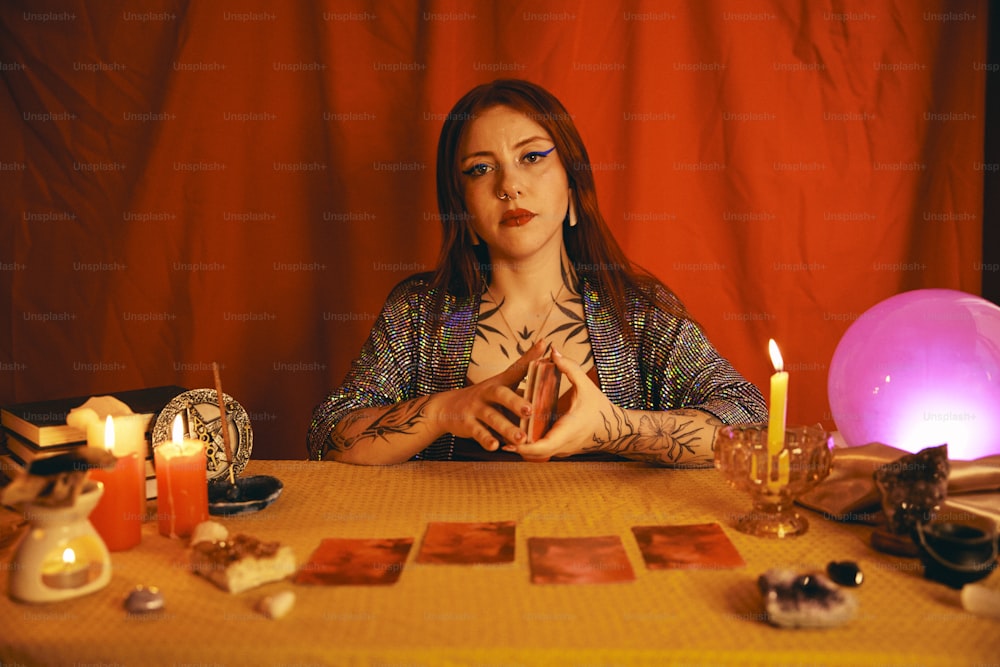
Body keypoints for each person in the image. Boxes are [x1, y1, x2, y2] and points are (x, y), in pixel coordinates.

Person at [308, 79, 766, 466]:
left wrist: (615, 428)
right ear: (462, 207)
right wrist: (443, 411)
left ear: (572, 183)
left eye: (532, 157)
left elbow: (753, 423)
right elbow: (329, 435)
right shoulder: (419, 313)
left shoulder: (637, 312)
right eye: (480, 169)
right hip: (457, 562)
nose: (509, 186)